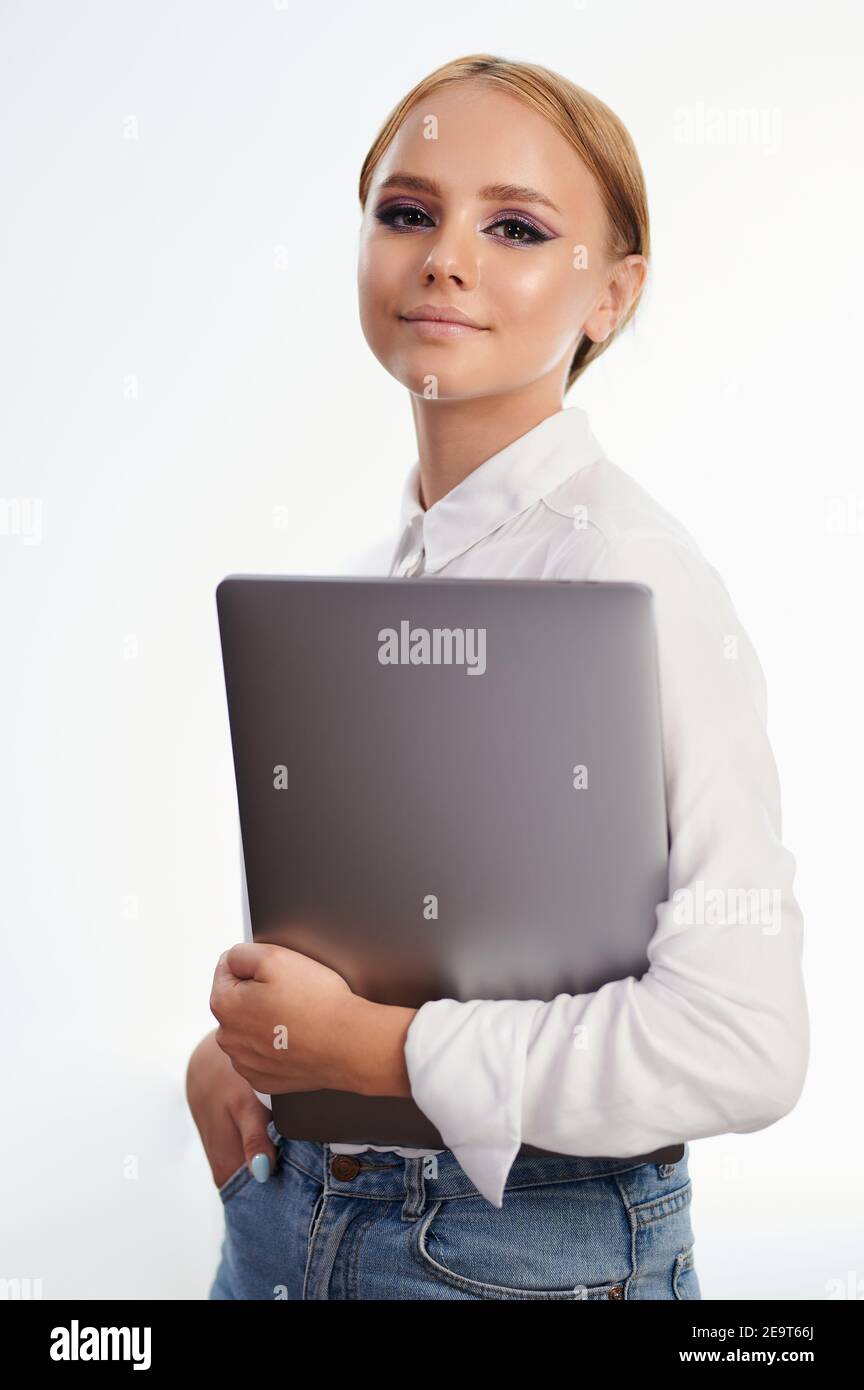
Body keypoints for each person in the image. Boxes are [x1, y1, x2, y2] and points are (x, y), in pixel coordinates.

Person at [186, 53, 809, 1301]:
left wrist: (379, 1053)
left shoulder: (639, 581)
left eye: (515, 226)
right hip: (294, 1216)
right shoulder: (367, 583)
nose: (445, 255)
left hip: (516, 1254)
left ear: (610, 298)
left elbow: (746, 1043)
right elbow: (414, 936)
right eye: (407, 212)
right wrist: (255, 1060)